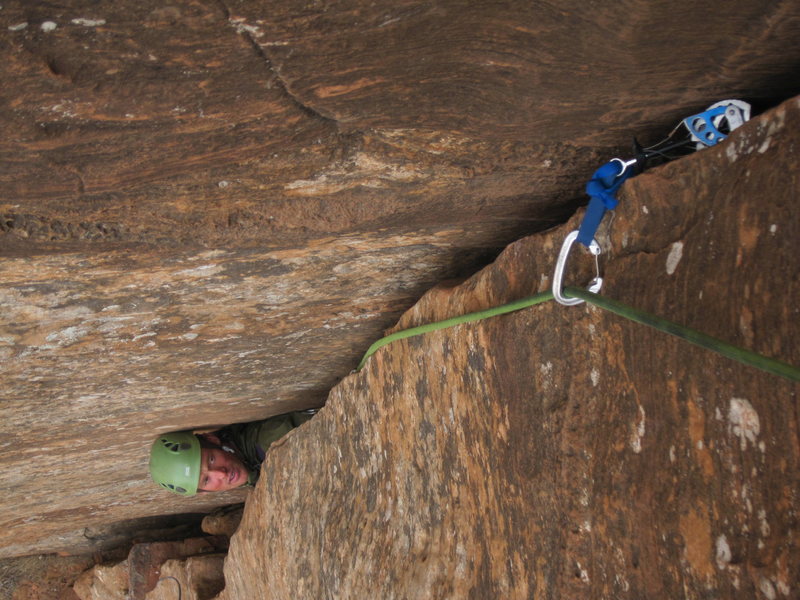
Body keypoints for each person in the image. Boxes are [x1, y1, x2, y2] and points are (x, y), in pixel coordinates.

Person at [148, 410, 316, 495]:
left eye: (212, 460)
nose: (221, 474)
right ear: (204, 493)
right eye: (206, 480)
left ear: (212, 439)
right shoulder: (249, 461)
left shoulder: (270, 441)